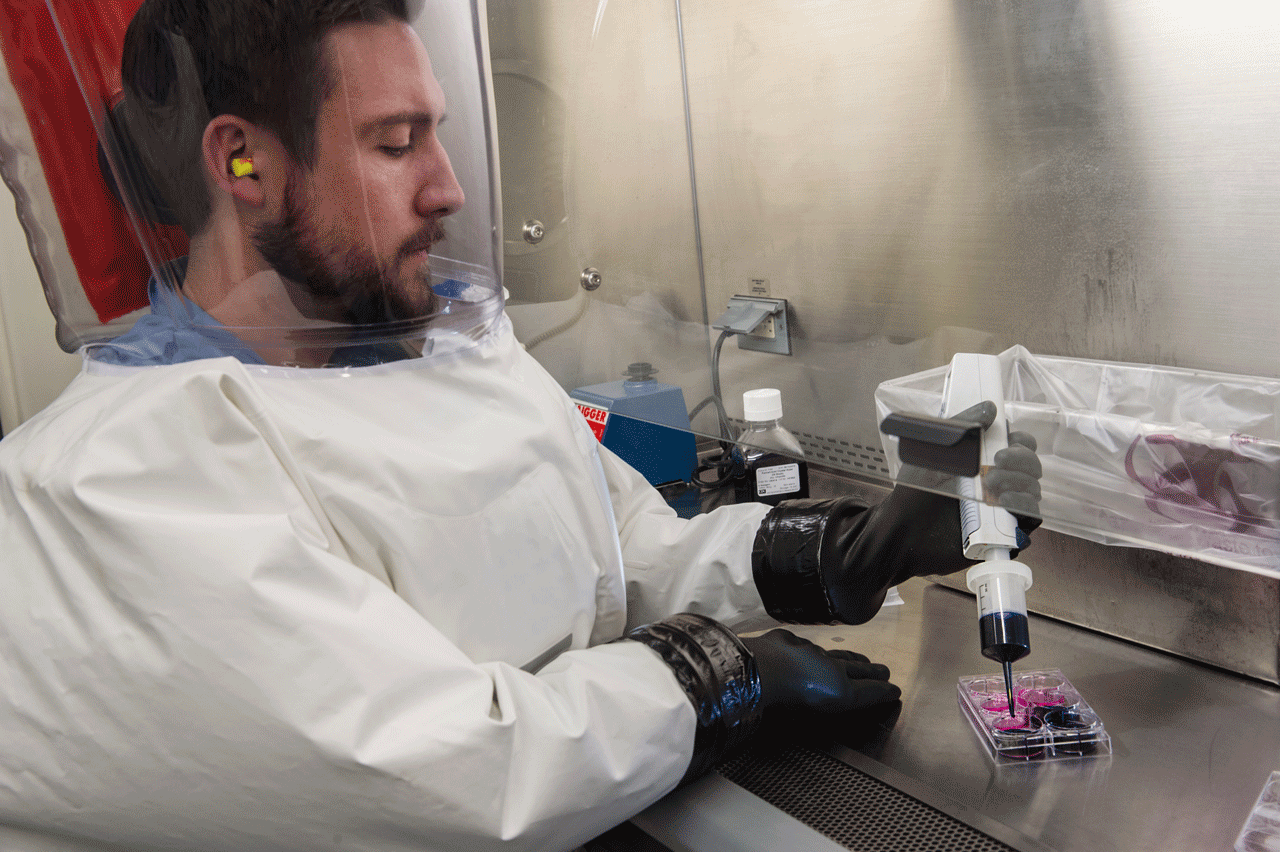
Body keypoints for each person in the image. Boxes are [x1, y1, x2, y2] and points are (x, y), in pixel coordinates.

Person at [0, 1, 1042, 850]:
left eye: (436, 134)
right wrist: (725, 678)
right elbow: (441, 773)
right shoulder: (115, 479)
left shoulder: (437, 352)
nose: (446, 188)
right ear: (242, 166)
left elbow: (611, 546)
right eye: (394, 143)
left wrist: (846, 554)